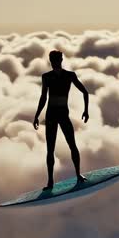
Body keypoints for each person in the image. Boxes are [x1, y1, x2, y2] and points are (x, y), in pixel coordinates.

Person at [33, 50, 89, 190]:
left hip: (63, 115)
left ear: (61, 60)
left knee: (72, 145)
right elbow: (43, 97)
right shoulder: (46, 77)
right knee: (50, 149)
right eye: (52, 61)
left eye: (56, 60)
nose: (54, 63)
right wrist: (37, 115)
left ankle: (78, 175)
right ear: (51, 61)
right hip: (51, 115)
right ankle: (50, 182)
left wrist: (86, 110)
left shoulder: (70, 75)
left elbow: (85, 92)